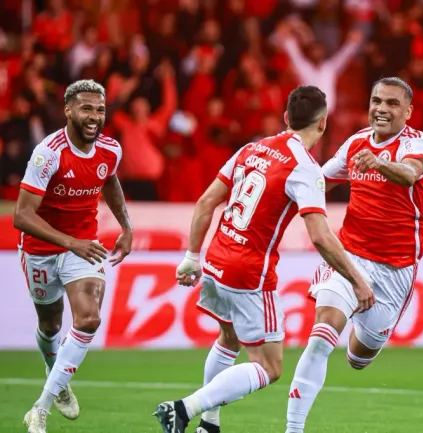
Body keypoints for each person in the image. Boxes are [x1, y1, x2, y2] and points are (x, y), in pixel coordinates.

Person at [153, 85, 373, 433]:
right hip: (249, 272)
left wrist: (191, 257)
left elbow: (206, 202)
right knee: (270, 367)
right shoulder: (305, 168)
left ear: (286, 118)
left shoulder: (250, 149)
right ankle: (184, 408)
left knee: (228, 339)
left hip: (216, 259)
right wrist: (357, 279)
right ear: (323, 124)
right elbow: (319, 235)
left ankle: (209, 424)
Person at [285, 77, 423, 433]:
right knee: (321, 336)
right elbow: (319, 181)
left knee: (359, 359)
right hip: (349, 256)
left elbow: (410, 175)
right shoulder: (355, 143)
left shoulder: (418, 144)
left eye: (392, 104)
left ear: (408, 112)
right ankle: (293, 429)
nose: (381, 108)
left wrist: (379, 163)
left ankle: (362, 339)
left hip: (395, 269)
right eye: (376, 100)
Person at [15, 79, 133, 433]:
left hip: (85, 245)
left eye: (99, 109)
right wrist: (68, 241)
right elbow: (22, 215)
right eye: (86, 108)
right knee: (50, 324)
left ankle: (41, 407)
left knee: (88, 319)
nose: (94, 116)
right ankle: (58, 375)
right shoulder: (48, 153)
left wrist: (126, 227)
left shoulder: (110, 149)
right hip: (42, 250)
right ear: (68, 110)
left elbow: (109, 180)